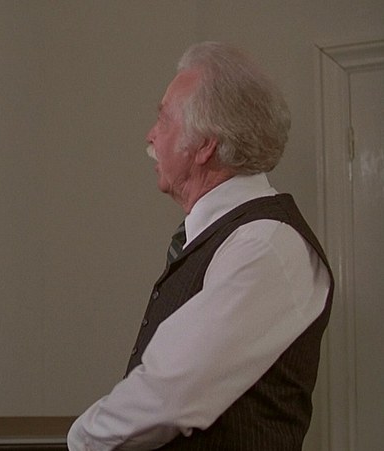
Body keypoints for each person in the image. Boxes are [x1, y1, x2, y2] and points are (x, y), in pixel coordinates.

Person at [67, 41, 333, 450]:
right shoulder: (231, 236)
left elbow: (169, 395)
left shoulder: (266, 244)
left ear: (206, 143)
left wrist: (79, 440)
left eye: (164, 119)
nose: (151, 135)